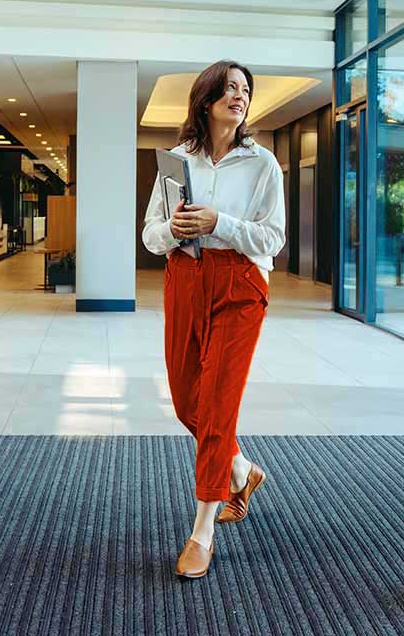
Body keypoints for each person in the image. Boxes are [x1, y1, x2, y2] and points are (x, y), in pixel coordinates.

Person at [142, 60, 285, 579]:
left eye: (245, 90)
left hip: (239, 284)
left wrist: (219, 221)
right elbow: (150, 234)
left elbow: (273, 239)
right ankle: (242, 471)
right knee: (186, 401)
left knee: (218, 406)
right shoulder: (175, 162)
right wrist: (175, 231)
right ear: (205, 100)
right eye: (229, 89)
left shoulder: (262, 165)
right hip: (185, 278)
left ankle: (202, 530)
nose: (239, 96)